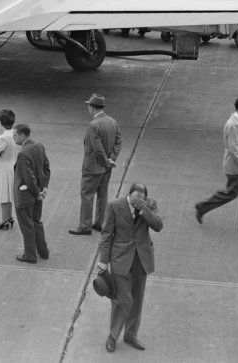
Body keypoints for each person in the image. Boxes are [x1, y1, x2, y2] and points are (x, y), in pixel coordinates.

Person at [96, 183, 163, 353]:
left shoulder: (150, 204)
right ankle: (113, 335)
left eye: (141, 200)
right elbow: (106, 234)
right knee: (122, 300)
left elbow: (158, 226)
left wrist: (144, 210)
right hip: (120, 259)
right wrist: (103, 261)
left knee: (137, 300)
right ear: (128, 195)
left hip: (141, 260)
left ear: (145, 198)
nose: (136, 203)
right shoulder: (114, 206)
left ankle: (130, 335)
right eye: (134, 200)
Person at [194, 97, 238, 230]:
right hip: (236, 168)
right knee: (230, 193)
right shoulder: (232, 125)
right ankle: (202, 207)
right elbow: (234, 150)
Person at [70, 93, 122, 236]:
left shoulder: (94, 125)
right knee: (102, 195)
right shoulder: (112, 121)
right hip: (107, 167)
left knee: (87, 195)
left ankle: (85, 226)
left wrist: (105, 161)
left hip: (93, 168)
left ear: (92, 108)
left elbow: (97, 148)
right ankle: (100, 223)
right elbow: (118, 141)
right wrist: (111, 159)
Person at [13, 124, 49, 264]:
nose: (13, 138)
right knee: (36, 222)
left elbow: (29, 177)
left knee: (27, 226)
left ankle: (30, 255)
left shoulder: (23, 153)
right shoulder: (39, 145)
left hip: (26, 196)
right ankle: (43, 251)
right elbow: (46, 167)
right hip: (38, 193)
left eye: (15, 135)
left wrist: (37, 193)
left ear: (22, 136)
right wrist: (44, 188)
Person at [0, 110, 18, 230]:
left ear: (1, 123)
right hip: (13, 166)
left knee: (3, 193)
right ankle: (9, 216)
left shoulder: (2, 138)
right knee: (9, 192)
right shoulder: (16, 133)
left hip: (3, 168)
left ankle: (5, 219)